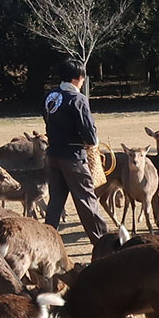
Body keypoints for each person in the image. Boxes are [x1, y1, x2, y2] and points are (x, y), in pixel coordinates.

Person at [43, 59, 109, 243]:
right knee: (86, 201)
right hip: (73, 157)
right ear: (78, 78)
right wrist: (92, 142)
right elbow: (89, 132)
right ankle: (103, 242)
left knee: (55, 203)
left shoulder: (51, 95)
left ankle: (45, 241)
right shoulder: (77, 98)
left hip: (53, 155)